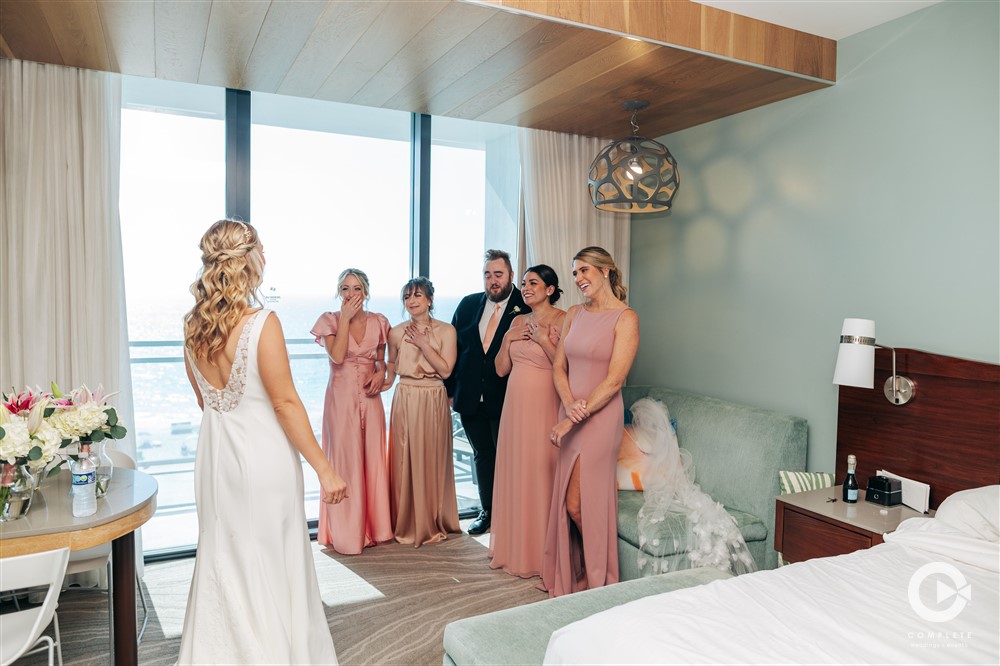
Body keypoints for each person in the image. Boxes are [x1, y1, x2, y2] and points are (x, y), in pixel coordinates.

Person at [179, 219, 345, 663]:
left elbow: (204, 401)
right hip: (263, 462)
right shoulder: (261, 323)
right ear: (247, 258)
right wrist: (324, 469)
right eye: (263, 248)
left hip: (216, 463)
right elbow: (286, 404)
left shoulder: (192, 328)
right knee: (272, 558)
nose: (266, 257)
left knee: (225, 555)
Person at [541, 246, 639, 597]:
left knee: (579, 504)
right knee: (573, 501)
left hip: (600, 419)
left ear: (606, 271)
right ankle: (581, 574)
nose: (579, 279)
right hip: (571, 412)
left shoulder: (625, 318)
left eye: (585, 271)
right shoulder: (573, 314)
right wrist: (568, 406)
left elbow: (614, 381)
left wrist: (573, 418)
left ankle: (599, 578)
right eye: (575, 273)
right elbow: (558, 366)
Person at [490, 265, 566, 578]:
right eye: (523, 283)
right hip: (514, 406)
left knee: (540, 472)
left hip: (545, 403)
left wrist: (544, 341)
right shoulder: (517, 320)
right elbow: (500, 369)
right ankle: (513, 547)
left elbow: (565, 367)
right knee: (516, 471)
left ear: (550, 289)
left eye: (533, 283)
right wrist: (508, 337)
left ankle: (540, 553)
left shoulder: (564, 320)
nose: (526, 287)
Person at [311, 268, 393, 555]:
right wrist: (345, 319)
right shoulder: (330, 320)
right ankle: (347, 533)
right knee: (345, 461)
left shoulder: (380, 321)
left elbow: (382, 360)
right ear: (339, 292)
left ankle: (376, 528)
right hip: (341, 399)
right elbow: (337, 355)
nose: (351, 294)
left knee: (372, 458)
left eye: (356, 289)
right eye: (345, 289)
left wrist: (380, 374)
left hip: (370, 399)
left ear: (366, 292)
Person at [446, 250, 528, 535]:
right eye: (487, 274)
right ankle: (488, 511)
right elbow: (453, 350)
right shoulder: (468, 305)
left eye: (498, 274)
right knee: (482, 454)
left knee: (511, 457)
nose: (493, 281)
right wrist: (450, 391)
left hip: (508, 398)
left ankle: (513, 514)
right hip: (470, 398)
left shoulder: (526, 306)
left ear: (511, 276)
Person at [384, 277, 461, 546]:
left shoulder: (447, 331)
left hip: (433, 395)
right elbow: (391, 365)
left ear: (429, 299)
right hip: (405, 395)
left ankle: (433, 518)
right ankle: (405, 521)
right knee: (403, 457)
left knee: (432, 456)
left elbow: (446, 370)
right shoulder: (395, 332)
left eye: (417, 295)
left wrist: (423, 343)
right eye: (407, 297)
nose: (412, 301)